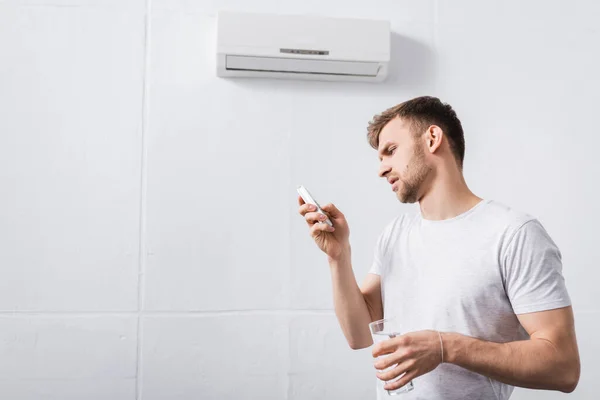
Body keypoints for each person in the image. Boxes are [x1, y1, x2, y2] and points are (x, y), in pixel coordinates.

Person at [297, 96, 580, 399]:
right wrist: (339, 257)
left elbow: (563, 367)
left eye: (391, 151)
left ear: (432, 138)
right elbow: (358, 334)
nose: (382, 169)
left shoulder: (514, 234)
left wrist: (446, 347)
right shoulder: (395, 234)